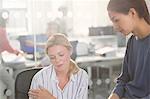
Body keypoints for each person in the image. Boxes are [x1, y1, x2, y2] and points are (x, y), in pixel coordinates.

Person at [107, 0, 150, 99]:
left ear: (132, 13)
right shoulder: (131, 42)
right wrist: (114, 96)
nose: (115, 27)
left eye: (116, 20)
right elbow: (124, 78)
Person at [28, 33, 88, 99]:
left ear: (70, 51)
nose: (57, 60)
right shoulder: (39, 78)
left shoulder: (81, 76)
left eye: (61, 55)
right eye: (52, 57)